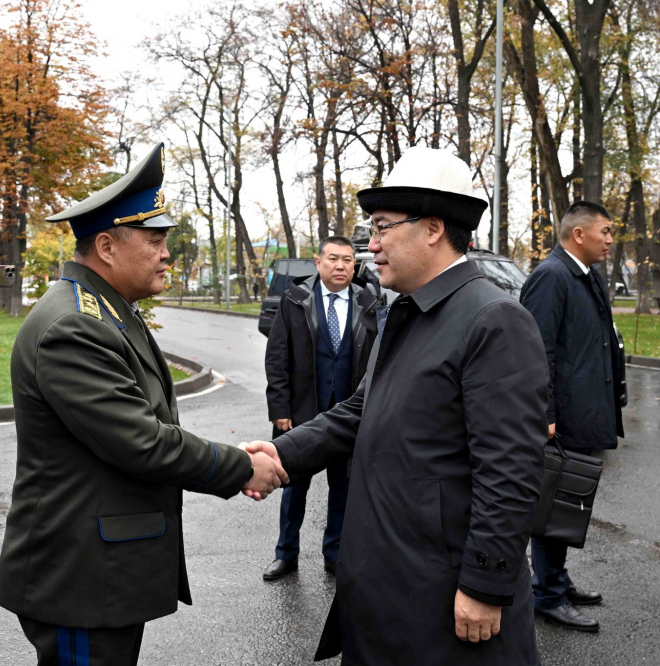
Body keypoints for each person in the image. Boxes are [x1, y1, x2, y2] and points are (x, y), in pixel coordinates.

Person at [246, 146, 548, 665]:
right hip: (389, 586)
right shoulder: (406, 311)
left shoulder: (493, 319)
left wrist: (484, 583)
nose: (371, 244)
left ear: (433, 228)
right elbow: (361, 409)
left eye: (383, 227)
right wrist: (281, 455)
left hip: (442, 596)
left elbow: (511, 469)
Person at [0, 142, 288, 665]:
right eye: (155, 240)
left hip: (103, 572)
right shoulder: (75, 324)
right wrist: (239, 465)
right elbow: (142, 442)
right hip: (81, 580)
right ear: (107, 247)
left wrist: (231, 456)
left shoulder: (107, 309)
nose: (167, 253)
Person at [520, 200, 623, 633]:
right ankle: (547, 596)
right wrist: (545, 413)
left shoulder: (585, 275)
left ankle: (555, 580)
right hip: (559, 418)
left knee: (569, 503)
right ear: (578, 234)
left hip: (583, 410)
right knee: (554, 504)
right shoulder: (550, 276)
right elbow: (534, 349)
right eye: (605, 231)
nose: (610, 240)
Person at [262, 236, 378, 581]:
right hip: (301, 412)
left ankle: (335, 553)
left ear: (354, 265)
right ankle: (286, 554)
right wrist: (279, 407)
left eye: (347, 260)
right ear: (318, 261)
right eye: (333, 259)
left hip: (349, 417)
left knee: (344, 489)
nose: (340, 266)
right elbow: (277, 356)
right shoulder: (295, 300)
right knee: (293, 487)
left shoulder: (368, 302)